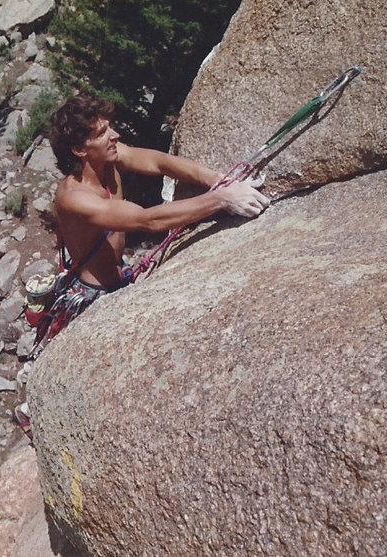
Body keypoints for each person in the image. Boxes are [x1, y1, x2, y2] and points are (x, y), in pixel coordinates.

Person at [14, 94, 270, 442]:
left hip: (115, 278)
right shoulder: (73, 197)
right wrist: (221, 200)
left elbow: (160, 162)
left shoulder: (109, 161)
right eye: (103, 132)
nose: (115, 135)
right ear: (79, 149)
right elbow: (147, 221)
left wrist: (216, 179)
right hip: (92, 298)